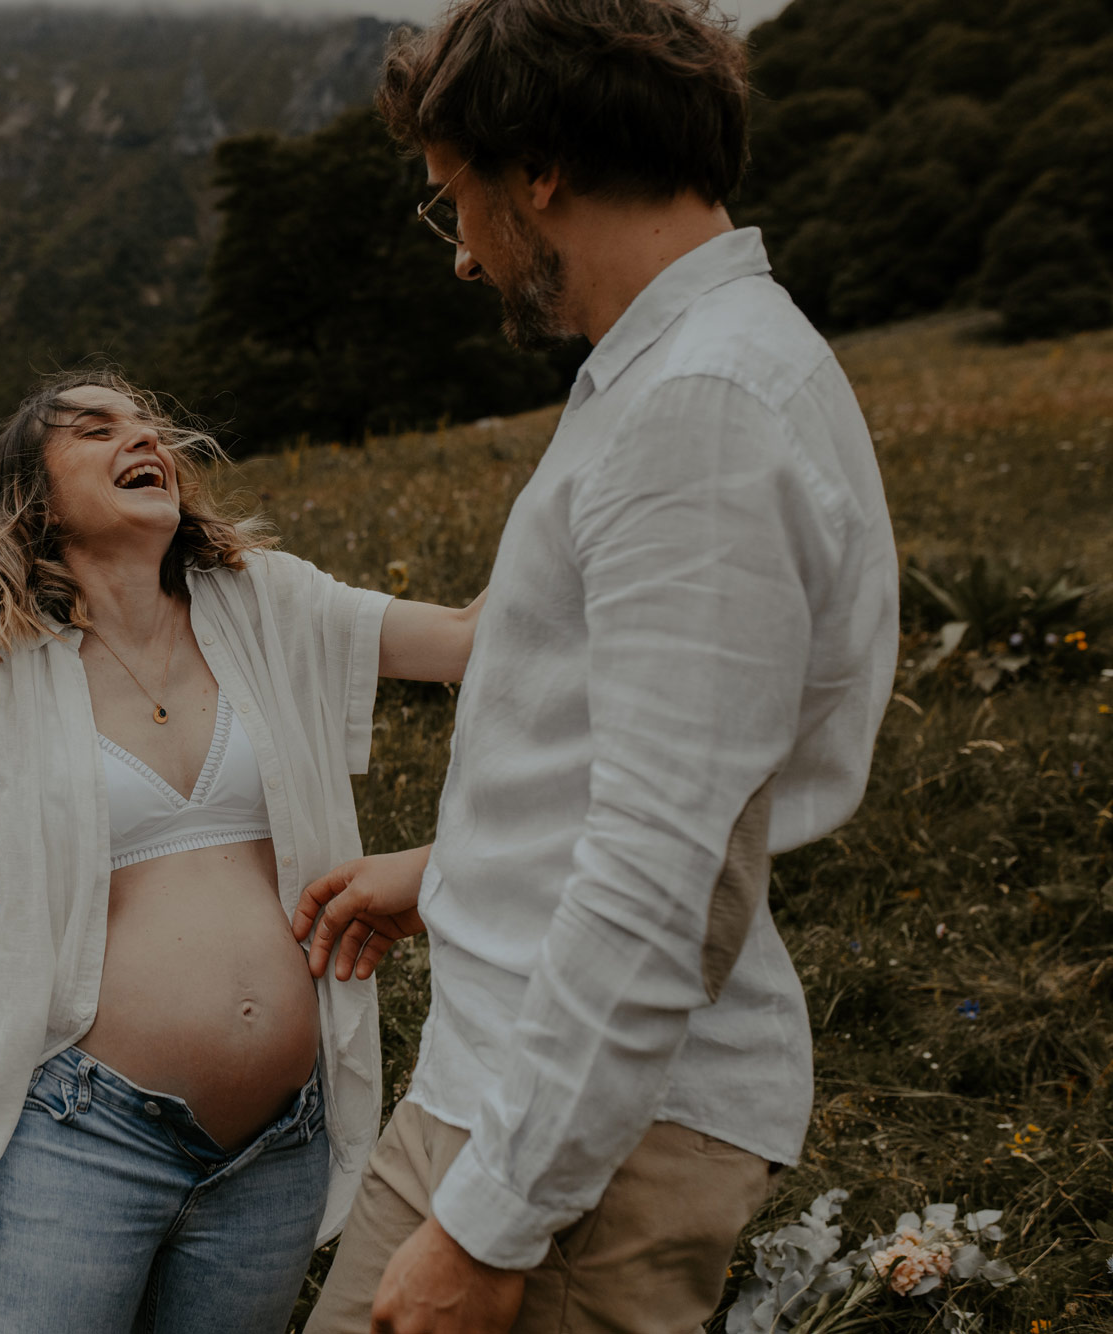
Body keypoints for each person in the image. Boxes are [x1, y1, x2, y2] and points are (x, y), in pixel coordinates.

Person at [290, 1, 900, 1331]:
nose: (460, 253)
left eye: (454, 197)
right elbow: (644, 768)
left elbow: (670, 869)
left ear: (540, 171)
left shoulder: (703, 409)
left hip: (582, 1146)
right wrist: (456, 876)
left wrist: (494, 1222)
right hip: (518, 1075)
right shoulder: (668, 374)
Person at [0, 370, 486, 1331]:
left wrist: (606, 441)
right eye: (98, 428)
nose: (145, 439)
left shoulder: (270, 604)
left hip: (274, 1156)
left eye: (150, 426)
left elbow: (473, 640)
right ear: (36, 498)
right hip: (80, 1140)